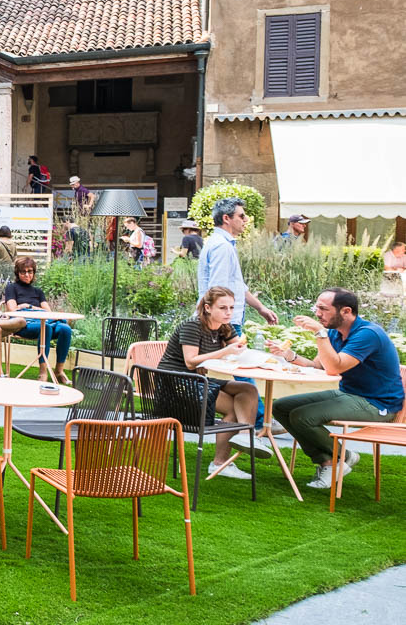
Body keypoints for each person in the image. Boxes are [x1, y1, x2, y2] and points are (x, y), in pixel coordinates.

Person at [269, 288, 404, 489]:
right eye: (317, 308)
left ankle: (336, 460)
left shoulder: (367, 334)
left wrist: (319, 333)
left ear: (346, 311)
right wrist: (289, 356)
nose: (317, 313)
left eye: (324, 309)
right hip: (349, 394)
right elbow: (319, 365)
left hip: (377, 404)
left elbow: (334, 368)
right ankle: (337, 459)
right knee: (280, 407)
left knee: (303, 416)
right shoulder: (334, 332)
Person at [157, 287, 263, 480]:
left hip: (199, 379)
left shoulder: (225, 327)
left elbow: (239, 350)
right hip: (176, 382)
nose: (228, 312)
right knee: (233, 407)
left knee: (247, 389)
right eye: (223, 308)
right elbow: (190, 361)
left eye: (231, 307)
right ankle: (220, 463)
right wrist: (225, 352)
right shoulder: (193, 325)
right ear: (207, 307)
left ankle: (245, 437)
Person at [198, 197, 279, 332]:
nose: (246, 219)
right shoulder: (222, 246)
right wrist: (221, 328)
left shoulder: (223, 243)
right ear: (226, 218)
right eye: (241, 216)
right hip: (223, 322)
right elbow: (218, 289)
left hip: (225, 320)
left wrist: (260, 308)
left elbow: (237, 284)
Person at [0, 257, 72, 385]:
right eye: (23, 272)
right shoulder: (12, 288)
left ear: (34, 273)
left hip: (43, 322)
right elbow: (12, 310)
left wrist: (29, 306)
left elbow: (48, 312)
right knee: (46, 328)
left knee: (66, 329)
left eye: (30, 271)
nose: (27, 275)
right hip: (24, 325)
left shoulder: (38, 291)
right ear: (18, 273)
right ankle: (43, 371)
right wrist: (34, 309)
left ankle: (59, 371)